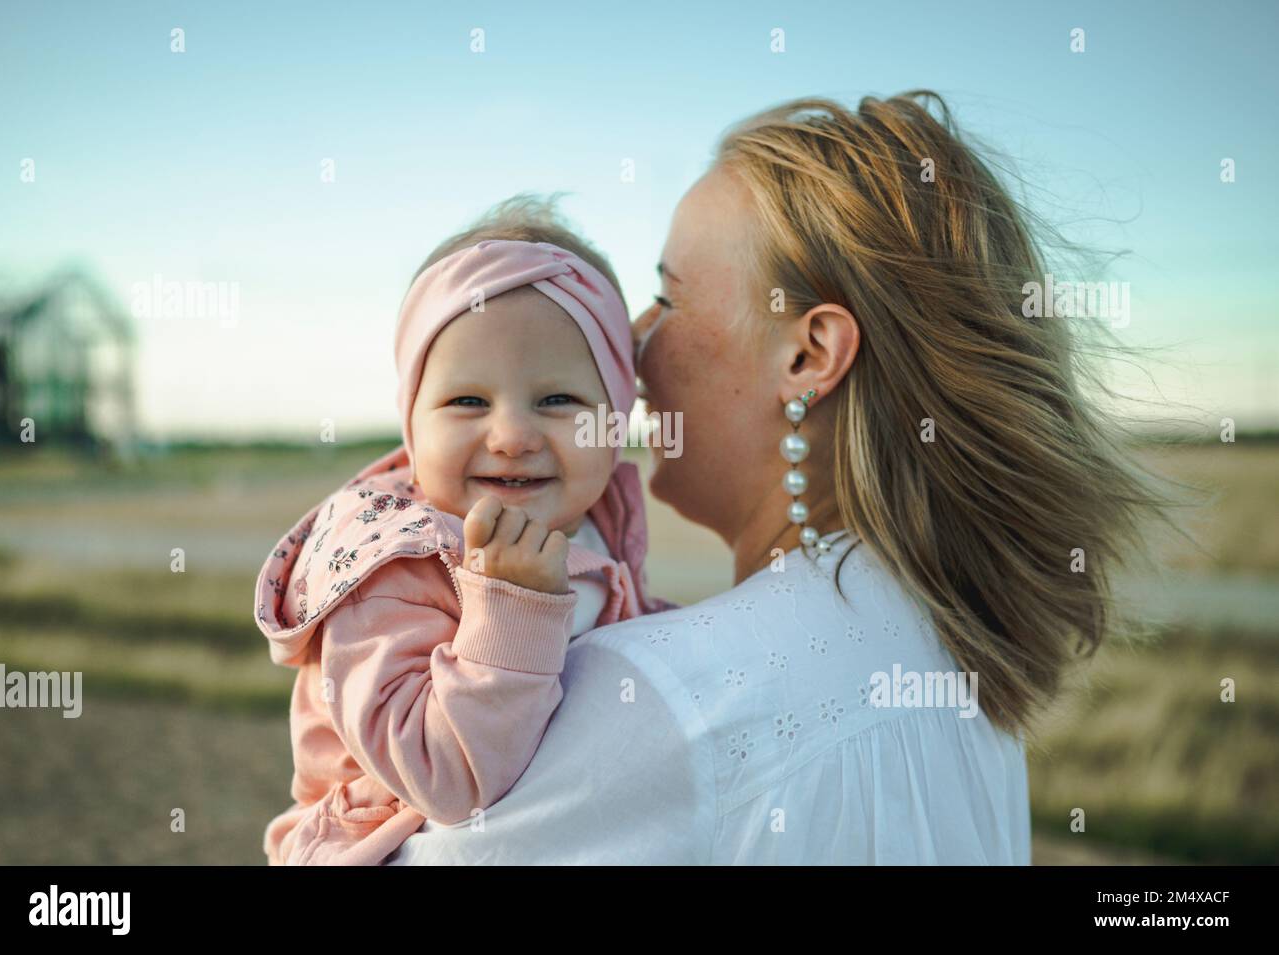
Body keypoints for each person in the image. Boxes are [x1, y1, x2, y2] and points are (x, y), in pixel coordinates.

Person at [385, 92, 1164, 864]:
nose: (632, 345)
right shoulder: (952, 652)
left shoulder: (668, 701)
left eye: (667, 296)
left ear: (808, 355)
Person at [254, 200, 672, 865]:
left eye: (558, 400)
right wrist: (511, 606)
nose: (511, 437)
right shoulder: (390, 564)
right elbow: (445, 780)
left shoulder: (599, 526)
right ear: (411, 424)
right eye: (468, 401)